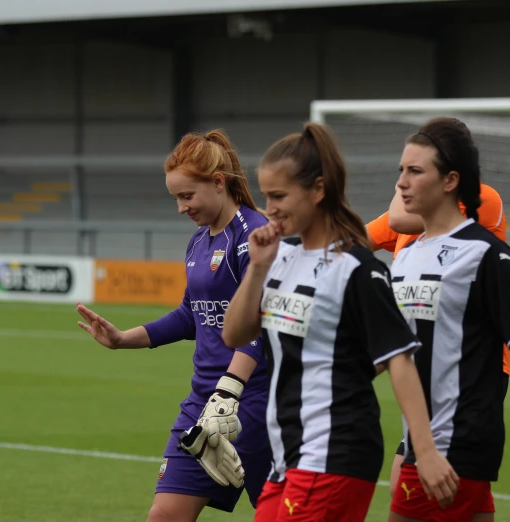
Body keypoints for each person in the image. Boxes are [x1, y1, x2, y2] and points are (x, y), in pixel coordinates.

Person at [221, 122, 458, 522]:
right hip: (287, 458)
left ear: (317, 190)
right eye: (266, 196)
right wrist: (257, 271)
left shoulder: (357, 270)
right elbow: (235, 334)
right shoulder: (279, 257)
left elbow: (399, 361)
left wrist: (426, 452)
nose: (269, 207)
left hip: (335, 451)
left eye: (279, 196)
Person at [76, 129, 271, 522]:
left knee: (284, 516)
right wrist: (122, 339)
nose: (182, 208)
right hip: (204, 404)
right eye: (176, 198)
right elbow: (189, 316)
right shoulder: (199, 241)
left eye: (187, 196)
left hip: (254, 402)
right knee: (163, 515)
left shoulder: (255, 236)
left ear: (219, 182)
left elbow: (263, 325)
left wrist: (228, 394)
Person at [387, 117, 510, 522]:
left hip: (451, 448)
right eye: (401, 170)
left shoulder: (485, 255)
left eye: (415, 171)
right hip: (422, 445)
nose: (401, 182)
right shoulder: (406, 257)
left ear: (450, 180)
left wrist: (428, 451)